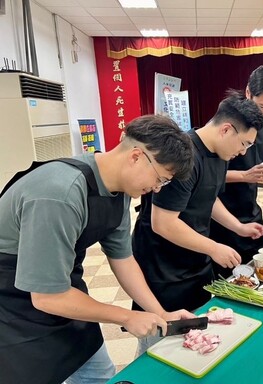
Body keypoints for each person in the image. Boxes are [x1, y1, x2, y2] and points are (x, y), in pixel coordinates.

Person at [0, 114, 197, 384]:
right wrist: (126, 316)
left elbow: (123, 259)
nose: (157, 189)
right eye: (161, 179)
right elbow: (46, 297)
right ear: (137, 156)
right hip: (12, 304)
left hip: (63, 286)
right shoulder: (60, 194)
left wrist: (159, 313)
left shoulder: (120, 188)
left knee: (97, 373)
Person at [132, 91, 263, 354]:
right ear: (226, 130)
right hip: (163, 267)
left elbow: (208, 197)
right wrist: (213, 247)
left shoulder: (218, 155)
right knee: (159, 342)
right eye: (245, 144)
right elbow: (163, 223)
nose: (244, 152)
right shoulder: (184, 156)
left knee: (193, 338)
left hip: (192, 261)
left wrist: (237, 227)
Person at [210, 65, 263, 278]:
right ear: (248, 92)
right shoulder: (226, 121)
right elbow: (206, 177)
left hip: (248, 210)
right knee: (226, 280)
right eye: (261, 106)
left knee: (260, 272)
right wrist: (243, 175)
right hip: (217, 214)